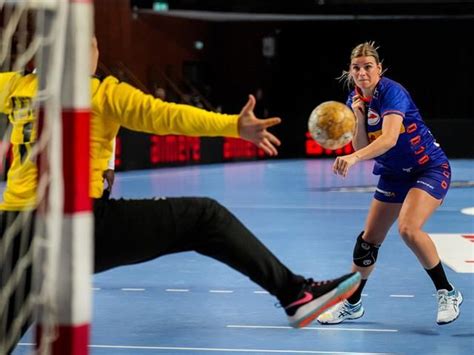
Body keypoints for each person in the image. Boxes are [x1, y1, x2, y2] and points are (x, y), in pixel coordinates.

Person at [0, 37, 361, 353]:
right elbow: (168, 117)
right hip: (76, 227)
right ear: (82, 52)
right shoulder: (101, 92)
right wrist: (233, 125)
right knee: (205, 217)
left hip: (13, 230)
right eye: (92, 43)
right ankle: (294, 294)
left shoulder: (16, 86)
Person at [317, 41, 462, 326]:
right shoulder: (355, 99)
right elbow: (361, 142)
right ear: (350, 71)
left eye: (368, 67)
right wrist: (358, 114)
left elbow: (389, 138)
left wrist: (354, 158)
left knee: (408, 228)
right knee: (368, 242)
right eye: (356, 68)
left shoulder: (393, 92)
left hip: (428, 167)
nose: (362, 73)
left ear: (379, 69)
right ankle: (352, 304)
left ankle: (448, 292)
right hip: (394, 173)